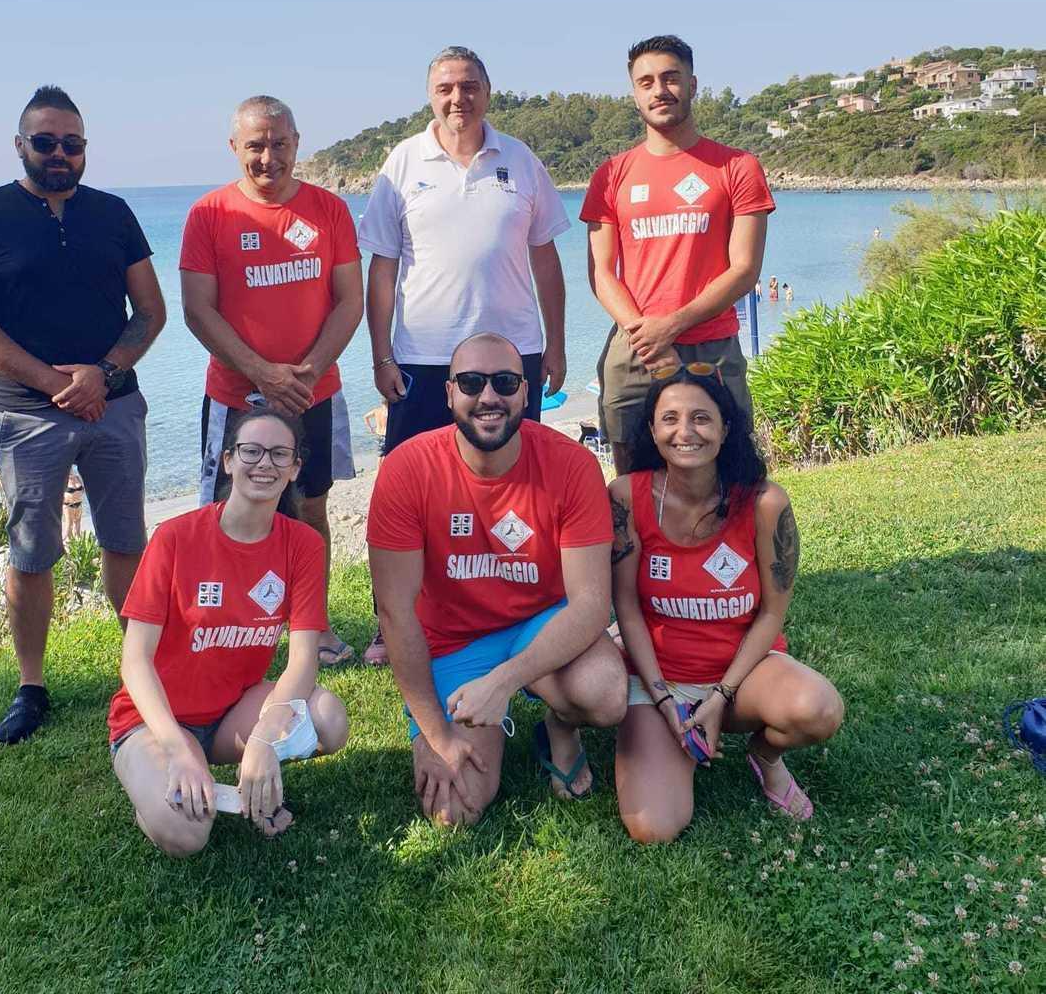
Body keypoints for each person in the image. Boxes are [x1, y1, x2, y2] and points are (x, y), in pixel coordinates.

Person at [0, 86, 166, 744]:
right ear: (21, 146)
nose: (60, 153)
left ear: (84, 149)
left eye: (72, 143)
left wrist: (101, 375)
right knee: (32, 551)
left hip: (115, 407)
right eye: (46, 142)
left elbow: (152, 312)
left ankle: (143, 672)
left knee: (126, 541)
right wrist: (55, 384)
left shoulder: (115, 214)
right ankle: (31, 684)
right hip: (28, 417)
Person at [358, 47, 570, 664]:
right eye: (446, 87)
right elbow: (383, 267)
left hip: (513, 357)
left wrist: (555, 343)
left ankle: (523, 604)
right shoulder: (402, 162)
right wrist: (379, 353)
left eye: (469, 86)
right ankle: (389, 619)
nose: (459, 98)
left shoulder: (521, 160)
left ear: (487, 91)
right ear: (431, 95)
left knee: (520, 488)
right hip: (424, 358)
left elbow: (546, 258)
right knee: (407, 491)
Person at [368, 333, 626, 826]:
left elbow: (591, 604)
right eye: (471, 382)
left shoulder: (571, 465)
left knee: (606, 694)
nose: (489, 396)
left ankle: (560, 727)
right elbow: (395, 614)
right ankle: (459, 720)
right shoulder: (407, 469)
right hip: (451, 645)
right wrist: (433, 735)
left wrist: (503, 682)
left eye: (505, 383)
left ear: (526, 394)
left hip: (539, 623)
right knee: (454, 810)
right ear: (449, 395)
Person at [610, 371, 843, 841]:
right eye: (670, 419)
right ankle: (665, 742)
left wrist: (718, 699)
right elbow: (627, 609)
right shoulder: (625, 498)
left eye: (701, 418)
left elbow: (772, 614)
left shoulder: (764, 503)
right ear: (653, 431)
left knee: (818, 709)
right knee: (652, 828)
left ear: (726, 429)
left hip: (742, 677)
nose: (686, 431)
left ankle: (764, 756)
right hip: (660, 680)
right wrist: (662, 699)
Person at [108, 409, 349, 857]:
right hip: (152, 720)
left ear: (295, 467)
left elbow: (303, 660)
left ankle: (241, 776)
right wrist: (177, 747)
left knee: (329, 719)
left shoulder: (302, 545)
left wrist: (264, 738)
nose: (264, 464)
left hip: (232, 714)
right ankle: (157, 788)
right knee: (187, 834)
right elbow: (135, 661)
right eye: (251, 451)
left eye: (279, 454)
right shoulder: (175, 538)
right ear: (227, 461)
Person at [180, 95, 363, 669]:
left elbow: (349, 301)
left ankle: (316, 627)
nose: (268, 157)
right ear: (235, 147)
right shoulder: (209, 214)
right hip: (233, 397)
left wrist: (304, 374)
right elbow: (197, 311)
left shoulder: (328, 210)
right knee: (228, 513)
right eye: (255, 145)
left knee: (310, 510)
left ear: (296, 143)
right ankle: (224, 631)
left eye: (279, 144)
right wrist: (262, 373)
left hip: (316, 393)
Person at [582, 36, 775, 472]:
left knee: (733, 472)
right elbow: (601, 271)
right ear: (634, 94)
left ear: (693, 84)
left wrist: (671, 326)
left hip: (712, 346)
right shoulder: (611, 174)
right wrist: (645, 336)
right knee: (632, 481)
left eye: (671, 78)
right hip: (635, 348)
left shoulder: (737, 167)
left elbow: (744, 270)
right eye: (646, 81)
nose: (659, 90)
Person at [63, 471, 84, 546]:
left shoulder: (77, 477)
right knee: (69, 526)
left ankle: (78, 548)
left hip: (79, 505)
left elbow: (83, 490)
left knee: (78, 528)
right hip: (69, 506)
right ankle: (67, 545)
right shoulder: (63, 478)